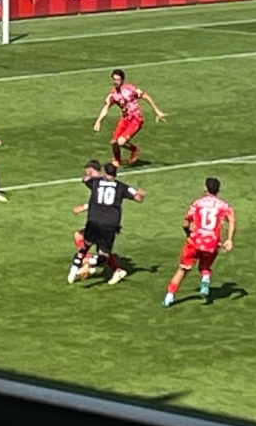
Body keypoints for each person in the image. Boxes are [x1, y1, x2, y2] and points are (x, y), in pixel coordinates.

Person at [67, 162, 146, 286]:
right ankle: (93, 264)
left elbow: (85, 180)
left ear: (104, 172)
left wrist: (91, 176)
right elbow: (138, 198)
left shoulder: (96, 182)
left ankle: (76, 270)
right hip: (110, 224)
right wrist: (141, 194)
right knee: (103, 252)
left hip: (94, 221)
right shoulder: (121, 186)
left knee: (85, 246)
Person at [163, 178, 235, 307]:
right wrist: (229, 239)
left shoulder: (198, 203)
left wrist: (188, 233)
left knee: (182, 270)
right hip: (212, 243)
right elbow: (232, 220)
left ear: (206, 188)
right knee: (205, 267)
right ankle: (205, 278)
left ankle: (169, 297)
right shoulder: (223, 205)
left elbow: (185, 223)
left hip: (195, 241)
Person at [93, 69, 167, 167]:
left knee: (120, 142)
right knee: (114, 142)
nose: (116, 82)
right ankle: (117, 160)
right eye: (114, 79)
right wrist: (99, 121)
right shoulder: (113, 94)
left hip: (136, 119)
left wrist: (157, 111)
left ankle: (134, 149)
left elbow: (145, 96)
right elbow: (106, 107)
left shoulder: (130, 89)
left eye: (118, 79)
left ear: (122, 80)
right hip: (125, 119)